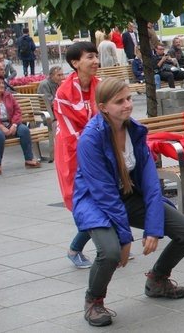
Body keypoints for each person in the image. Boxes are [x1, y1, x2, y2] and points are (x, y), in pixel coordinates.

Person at [74, 78, 184, 327]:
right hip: (96, 202)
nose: (127, 105)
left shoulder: (135, 130)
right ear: (103, 107)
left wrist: (153, 228)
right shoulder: (90, 139)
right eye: (119, 101)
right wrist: (125, 239)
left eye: (129, 98)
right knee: (109, 252)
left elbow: (151, 184)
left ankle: (157, 280)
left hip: (129, 196)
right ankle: (94, 301)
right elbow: (104, 194)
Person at [53, 42, 103, 269]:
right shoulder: (63, 93)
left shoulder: (100, 86)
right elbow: (71, 134)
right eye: (90, 57)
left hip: (98, 148)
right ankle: (76, 248)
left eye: (96, 56)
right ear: (75, 63)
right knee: (86, 200)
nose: (95, 61)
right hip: (72, 152)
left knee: (104, 196)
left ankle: (109, 243)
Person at [0, 76, 42, 175]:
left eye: (2, 83)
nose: (1, 85)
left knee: (24, 130)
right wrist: (1, 127)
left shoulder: (8, 96)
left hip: (12, 123)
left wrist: (14, 125)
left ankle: (29, 159)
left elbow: (17, 111)